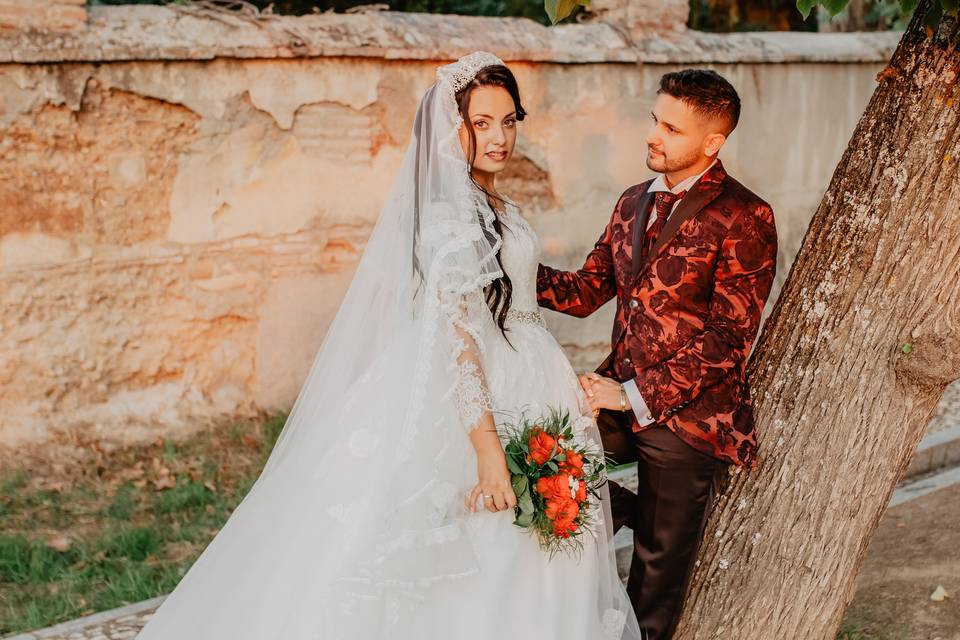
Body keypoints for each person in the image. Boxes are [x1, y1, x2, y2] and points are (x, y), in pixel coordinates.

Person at [135, 52, 641, 640]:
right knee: (483, 537)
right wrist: (486, 450)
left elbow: (518, 294)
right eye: (481, 123)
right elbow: (459, 342)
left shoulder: (495, 203)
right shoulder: (451, 215)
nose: (499, 137)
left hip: (530, 371)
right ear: (454, 129)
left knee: (537, 547)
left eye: (508, 120)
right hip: (484, 396)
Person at [537, 69, 778, 639]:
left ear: (712, 142)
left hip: (691, 421)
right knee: (540, 463)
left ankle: (645, 535)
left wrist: (631, 394)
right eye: (656, 120)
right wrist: (507, 262)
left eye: (672, 128)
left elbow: (728, 339)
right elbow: (582, 292)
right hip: (614, 398)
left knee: (653, 583)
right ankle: (623, 514)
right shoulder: (629, 203)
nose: (655, 136)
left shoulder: (747, 215)